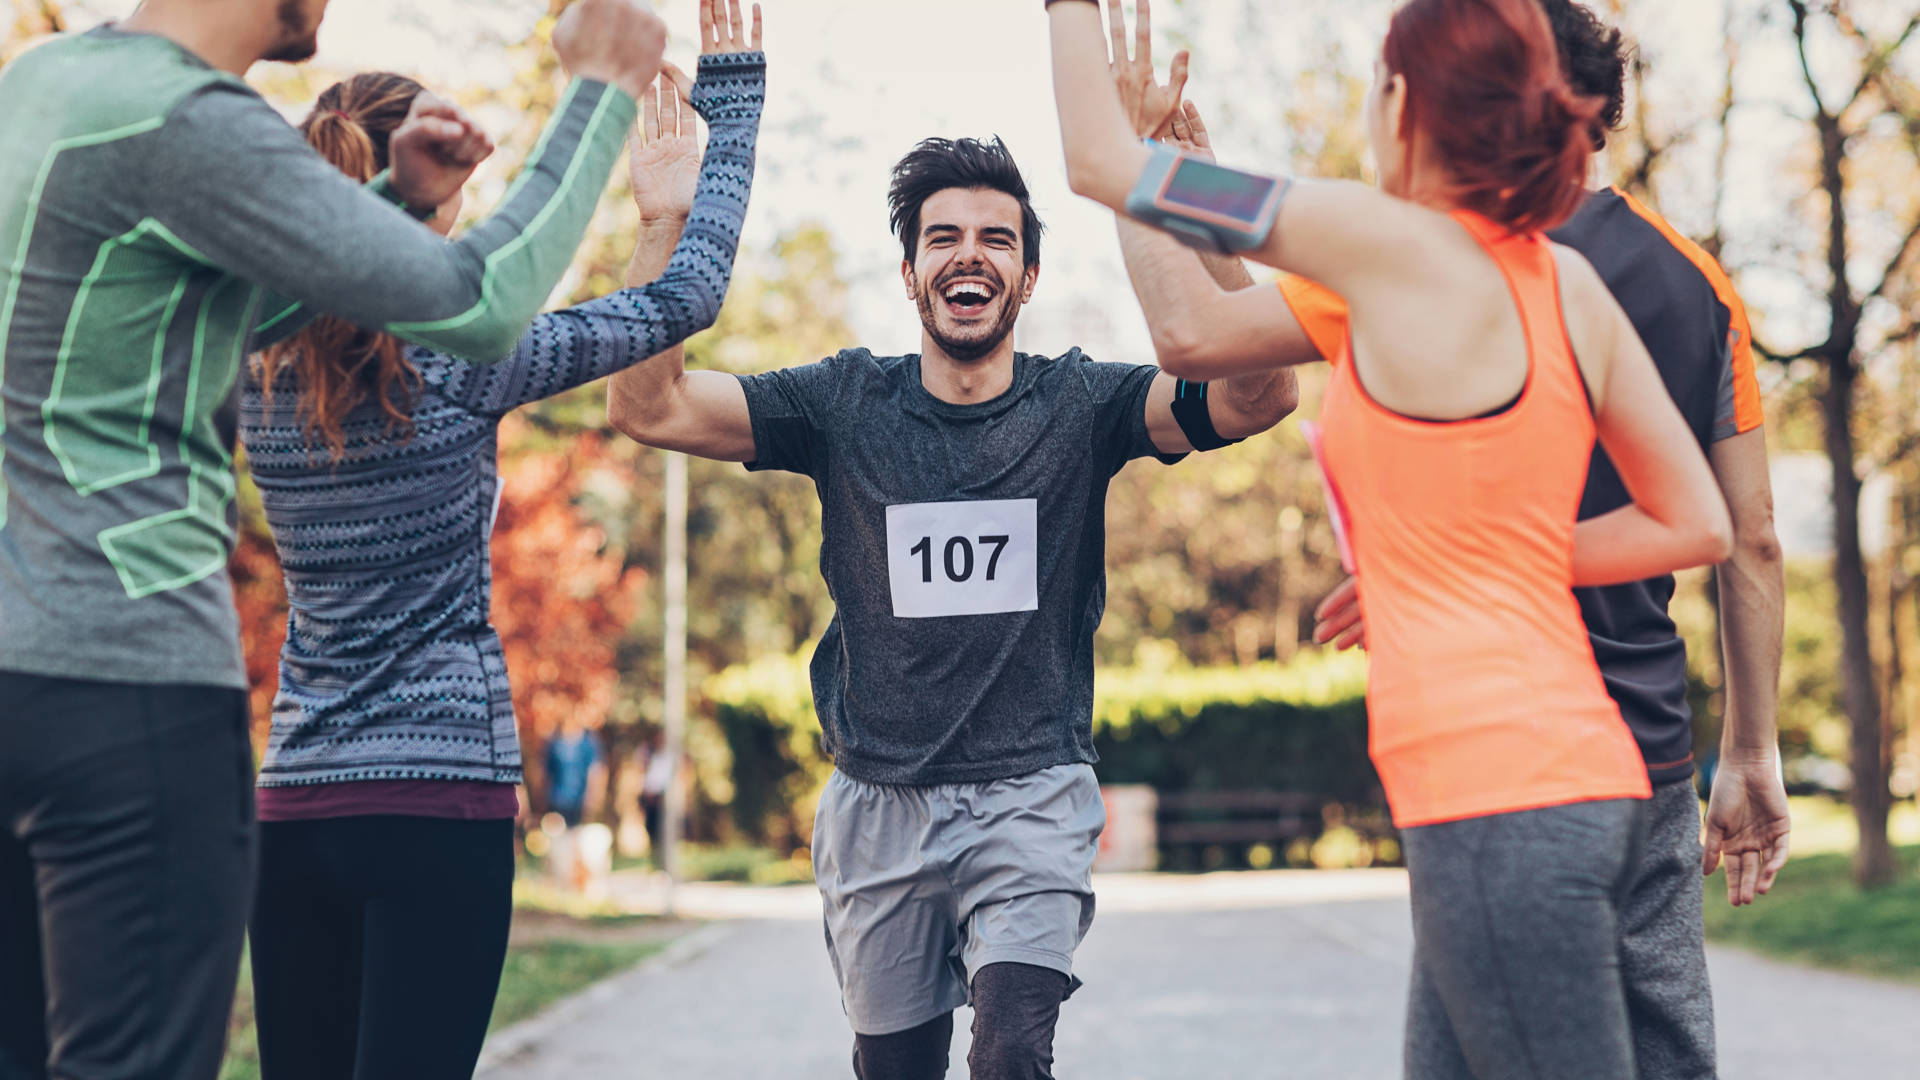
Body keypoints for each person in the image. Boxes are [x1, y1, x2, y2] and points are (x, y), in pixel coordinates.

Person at [1048, 0, 1732, 1077]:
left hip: (1500, 797)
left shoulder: (1373, 240)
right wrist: (1462, 564)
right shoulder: (1570, 290)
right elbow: (1696, 520)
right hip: (1574, 783)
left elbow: (1101, 161)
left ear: (1406, 104)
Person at [0, 0, 665, 1074]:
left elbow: (225, 288)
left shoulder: (45, 86)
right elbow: (480, 302)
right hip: (128, 694)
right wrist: (599, 92)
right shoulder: (196, 121)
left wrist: (389, 200)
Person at [606, 129, 1298, 1075]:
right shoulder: (843, 404)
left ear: (1028, 279)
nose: (969, 253)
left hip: (1032, 795)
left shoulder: (1080, 405)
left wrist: (1202, 198)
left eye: (997, 239)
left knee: (1012, 1054)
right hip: (878, 804)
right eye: (943, 237)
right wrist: (664, 227)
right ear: (909, 273)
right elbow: (649, 406)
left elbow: (1260, 393)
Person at [237, 8, 764, 1075]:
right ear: (432, 192)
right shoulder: (466, 349)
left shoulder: (250, 365)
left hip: (293, 802)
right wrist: (735, 106)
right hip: (438, 797)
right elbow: (687, 300)